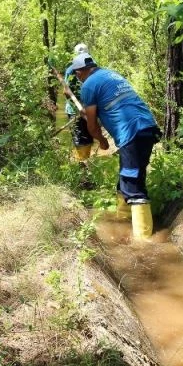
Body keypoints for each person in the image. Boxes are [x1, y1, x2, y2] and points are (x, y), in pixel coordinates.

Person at [70, 50, 161, 239]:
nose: (77, 78)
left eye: (76, 74)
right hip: (147, 127)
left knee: (133, 185)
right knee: (125, 179)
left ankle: (143, 242)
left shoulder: (88, 86)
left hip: (131, 132)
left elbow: (92, 126)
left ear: (79, 72)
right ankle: (123, 221)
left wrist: (102, 141)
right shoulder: (111, 74)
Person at [63, 43, 94, 161]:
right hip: (75, 110)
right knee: (80, 139)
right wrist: (79, 106)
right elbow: (66, 92)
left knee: (89, 137)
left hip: (88, 109)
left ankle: (87, 162)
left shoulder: (92, 67)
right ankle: (82, 164)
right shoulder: (71, 70)